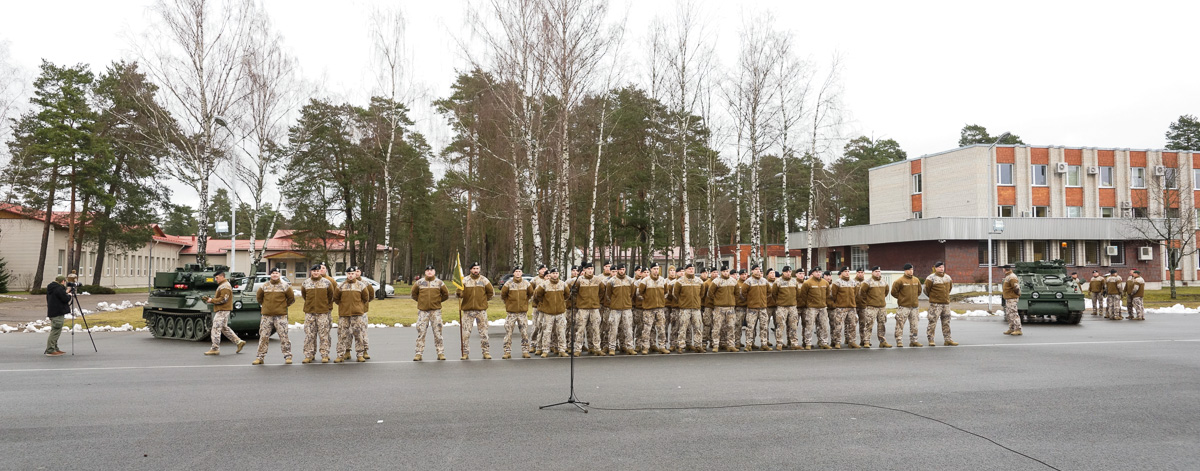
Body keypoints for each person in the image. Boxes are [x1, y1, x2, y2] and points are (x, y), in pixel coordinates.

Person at [254, 268, 295, 365]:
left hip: (281, 316)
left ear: (279, 274)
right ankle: (260, 357)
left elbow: (291, 299)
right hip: (267, 316)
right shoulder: (264, 286)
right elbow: (259, 298)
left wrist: (283, 306)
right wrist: (266, 306)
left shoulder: (285, 286)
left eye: (276, 273)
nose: (275, 275)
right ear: (270, 275)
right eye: (273, 273)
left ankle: (288, 356)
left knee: (284, 336)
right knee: (263, 336)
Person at [202, 271, 247, 356]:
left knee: (215, 328)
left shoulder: (224, 286)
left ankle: (215, 348)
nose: (216, 279)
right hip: (223, 309)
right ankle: (238, 342)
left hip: (222, 310)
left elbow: (223, 299)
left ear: (222, 276)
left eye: (217, 277)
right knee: (224, 327)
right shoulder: (224, 285)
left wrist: (211, 300)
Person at [334, 266, 373, 362]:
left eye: (352, 274)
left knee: (358, 334)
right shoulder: (341, 285)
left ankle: (360, 354)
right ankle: (340, 354)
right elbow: (336, 298)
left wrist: (358, 306)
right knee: (342, 334)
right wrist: (344, 306)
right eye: (349, 274)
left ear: (355, 274)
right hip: (344, 314)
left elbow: (365, 298)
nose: (350, 275)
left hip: (357, 314)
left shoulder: (361, 285)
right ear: (346, 274)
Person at [299, 265, 337, 363]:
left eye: (317, 271)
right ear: (311, 272)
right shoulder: (306, 283)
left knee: (323, 335)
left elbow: (331, 296)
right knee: (309, 335)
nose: (315, 272)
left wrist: (326, 307)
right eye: (314, 271)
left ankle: (325, 354)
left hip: (322, 313)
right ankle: (309, 355)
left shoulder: (327, 283)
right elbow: (304, 295)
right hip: (310, 312)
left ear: (320, 272)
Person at [457, 262, 495, 360]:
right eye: (474, 268)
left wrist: (483, 301)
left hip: (481, 311)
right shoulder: (464, 280)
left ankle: (486, 352)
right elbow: (459, 294)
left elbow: (491, 293)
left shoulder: (484, 280)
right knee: (465, 333)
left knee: (484, 333)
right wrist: (459, 293)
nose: (475, 270)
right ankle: (465, 353)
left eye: (477, 268)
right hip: (467, 311)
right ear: (470, 270)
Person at [413, 265, 450, 361]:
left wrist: (437, 301)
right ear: (425, 272)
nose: (429, 272)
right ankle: (418, 353)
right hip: (423, 312)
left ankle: (440, 353)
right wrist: (422, 302)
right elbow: (414, 294)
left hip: (435, 311)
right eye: (428, 270)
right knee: (421, 332)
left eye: (431, 270)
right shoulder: (419, 283)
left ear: (434, 272)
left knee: (438, 332)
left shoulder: (439, 283)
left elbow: (446, 295)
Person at [566, 263, 604, 355]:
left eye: (592, 268)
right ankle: (578, 349)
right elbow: (573, 292)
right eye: (588, 269)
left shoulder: (598, 280)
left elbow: (602, 291)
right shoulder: (579, 280)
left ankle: (596, 348)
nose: (590, 270)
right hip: (583, 309)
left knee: (595, 329)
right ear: (585, 270)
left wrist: (596, 300)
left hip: (594, 308)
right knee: (580, 329)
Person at [500, 267, 535, 359]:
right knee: (508, 333)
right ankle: (507, 351)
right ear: (513, 273)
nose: (518, 273)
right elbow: (503, 295)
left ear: (522, 273)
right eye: (516, 272)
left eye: (519, 271)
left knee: (524, 333)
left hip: (522, 313)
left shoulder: (526, 284)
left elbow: (531, 294)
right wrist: (509, 304)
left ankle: (525, 351)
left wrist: (525, 302)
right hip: (511, 313)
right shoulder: (508, 284)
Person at [534, 268, 569, 357]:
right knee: (547, 331)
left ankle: (562, 349)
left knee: (561, 331)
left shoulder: (563, 284)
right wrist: (545, 304)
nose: (555, 275)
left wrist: (560, 303)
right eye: (553, 273)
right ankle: (545, 350)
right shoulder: (544, 285)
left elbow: (567, 295)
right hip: (548, 313)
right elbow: (538, 295)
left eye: (556, 273)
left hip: (560, 313)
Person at [603, 264, 637, 355]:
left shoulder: (630, 280)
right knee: (613, 329)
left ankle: (629, 347)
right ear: (617, 270)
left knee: (628, 329)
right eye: (620, 269)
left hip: (627, 308)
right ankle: (612, 348)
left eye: (623, 269)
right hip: (615, 309)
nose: (622, 271)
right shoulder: (612, 281)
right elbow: (608, 294)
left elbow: (632, 293)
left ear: (625, 269)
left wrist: (627, 301)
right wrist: (615, 302)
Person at [636, 263, 669, 354]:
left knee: (661, 328)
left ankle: (662, 346)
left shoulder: (662, 280)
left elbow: (666, 292)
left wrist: (662, 300)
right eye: (654, 268)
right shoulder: (645, 281)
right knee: (647, 329)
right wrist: (646, 300)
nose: (656, 270)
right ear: (651, 269)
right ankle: (645, 347)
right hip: (648, 309)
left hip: (660, 309)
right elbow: (639, 293)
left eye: (657, 268)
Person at [672, 263, 704, 353]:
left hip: (696, 308)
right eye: (689, 269)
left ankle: (698, 345)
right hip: (685, 308)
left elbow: (702, 293)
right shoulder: (680, 281)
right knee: (683, 327)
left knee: (697, 328)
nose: (691, 270)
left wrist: (697, 301)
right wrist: (682, 301)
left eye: (693, 269)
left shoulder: (699, 281)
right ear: (686, 270)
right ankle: (681, 345)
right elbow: (675, 294)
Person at [924, 261, 957, 346]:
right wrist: (934, 297)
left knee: (946, 322)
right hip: (935, 305)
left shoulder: (948, 278)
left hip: (945, 304)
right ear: (935, 268)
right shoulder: (931, 278)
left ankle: (948, 339)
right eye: (939, 267)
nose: (941, 268)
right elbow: (926, 290)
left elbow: (949, 289)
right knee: (932, 322)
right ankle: (931, 339)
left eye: (942, 267)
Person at [707, 266, 739, 352]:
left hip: (730, 308)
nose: (726, 273)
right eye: (724, 271)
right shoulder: (716, 281)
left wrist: (732, 301)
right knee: (717, 327)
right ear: (721, 272)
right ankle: (715, 345)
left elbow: (737, 294)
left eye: (727, 271)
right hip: (719, 308)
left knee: (731, 327)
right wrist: (718, 301)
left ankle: (731, 345)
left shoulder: (733, 281)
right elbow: (710, 293)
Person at [858, 266, 891, 348]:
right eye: (876, 271)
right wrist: (868, 302)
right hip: (871, 307)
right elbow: (862, 293)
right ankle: (866, 341)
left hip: (882, 307)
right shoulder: (867, 282)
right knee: (869, 324)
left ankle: (882, 341)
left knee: (882, 324)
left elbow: (886, 292)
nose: (878, 273)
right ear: (872, 272)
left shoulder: (884, 282)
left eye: (879, 271)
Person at [891, 263, 922, 347]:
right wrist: (902, 298)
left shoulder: (916, 280)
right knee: (900, 324)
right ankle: (899, 340)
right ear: (905, 270)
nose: (911, 271)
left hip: (914, 307)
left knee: (914, 324)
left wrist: (914, 298)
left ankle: (914, 341)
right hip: (904, 306)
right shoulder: (899, 281)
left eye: (912, 269)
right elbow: (893, 292)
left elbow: (919, 291)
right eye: (909, 269)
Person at [741, 265, 771, 351]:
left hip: (763, 308)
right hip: (752, 309)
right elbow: (743, 293)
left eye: (759, 270)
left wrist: (763, 300)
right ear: (752, 271)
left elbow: (769, 292)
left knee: (764, 327)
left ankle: (764, 344)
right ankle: (749, 344)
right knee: (750, 327)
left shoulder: (764, 281)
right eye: (756, 270)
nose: (758, 271)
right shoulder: (748, 281)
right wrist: (750, 301)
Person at [799, 268, 830, 349]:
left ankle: (824, 342)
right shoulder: (807, 283)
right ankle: (808, 343)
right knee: (809, 326)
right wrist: (808, 303)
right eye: (816, 272)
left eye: (819, 272)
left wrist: (824, 302)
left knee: (823, 326)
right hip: (811, 308)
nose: (818, 273)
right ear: (812, 273)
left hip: (822, 307)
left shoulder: (825, 282)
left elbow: (827, 294)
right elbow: (803, 294)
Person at [828, 267, 859, 349]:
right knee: (838, 325)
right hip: (841, 308)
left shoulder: (853, 282)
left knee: (852, 325)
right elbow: (833, 295)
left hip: (851, 307)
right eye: (845, 271)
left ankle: (852, 342)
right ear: (841, 273)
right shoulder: (837, 283)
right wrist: (838, 303)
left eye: (848, 271)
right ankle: (837, 342)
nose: (847, 273)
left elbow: (855, 293)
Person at [772, 266, 801, 350]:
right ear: (783, 272)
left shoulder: (794, 281)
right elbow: (774, 294)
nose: (788, 273)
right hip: (782, 307)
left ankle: (794, 343)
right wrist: (779, 302)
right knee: (780, 325)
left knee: (793, 325)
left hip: (792, 307)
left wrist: (794, 302)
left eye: (789, 271)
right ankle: (779, 343)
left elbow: (798, 294)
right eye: (786, 272)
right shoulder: (778, 282)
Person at [44, 275, 70, 356]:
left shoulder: (52, 288)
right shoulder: (58, 288)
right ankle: (50, 349)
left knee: (56, 330)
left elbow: (58, 297)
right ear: (62, 281)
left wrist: (65, 292)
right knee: (55, 331)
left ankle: (55, 348)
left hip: (53, 311)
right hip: (57, 312)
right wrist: (69, 295)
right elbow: (65, 299)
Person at [529, 265, 548, 355]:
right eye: (542, 269)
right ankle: (533, 344)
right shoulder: (535, 280)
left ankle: (548, 345)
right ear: (539, 271)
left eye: (545, 269)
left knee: (546, 327)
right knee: (536, 326)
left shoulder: (550, 279)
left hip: (548, 307)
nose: (544, 270)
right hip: (537, 306)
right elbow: (530, 291)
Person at [1000, 265, 1022, 336]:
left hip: (1012, 298)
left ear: (1004, 269)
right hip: (1008, 298)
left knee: (1014, 313)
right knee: (1009, 314)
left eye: (1003, 268)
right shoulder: (1008, 276)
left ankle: (1018, 329)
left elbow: (1016, 287)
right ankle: (1012, 328)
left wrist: (1017, 295)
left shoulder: (1012, 277)